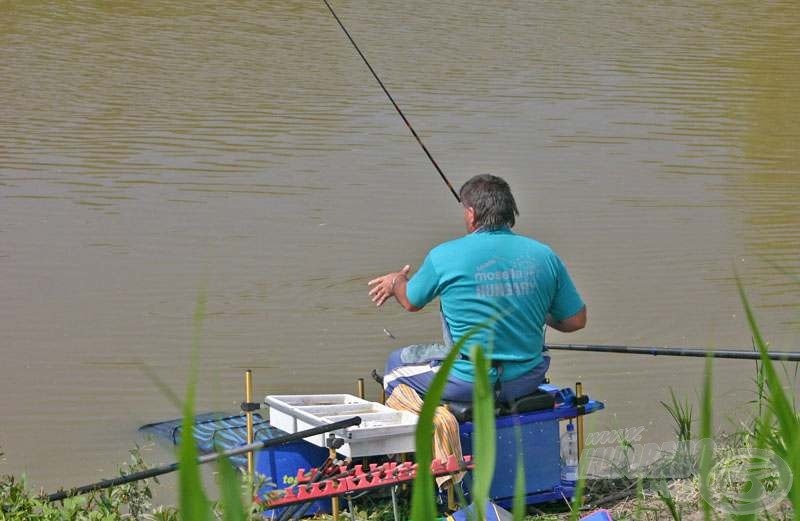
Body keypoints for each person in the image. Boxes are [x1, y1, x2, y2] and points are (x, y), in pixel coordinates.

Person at [368, 174, 586, 404]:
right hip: (526, 379)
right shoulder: (545, 255)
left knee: (394, 367)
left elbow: (411, 301)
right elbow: (576, 321)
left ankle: (436, 437)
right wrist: (534, 309)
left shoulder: (444, 255)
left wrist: (396, 282)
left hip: (469, 381)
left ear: (471, 214)